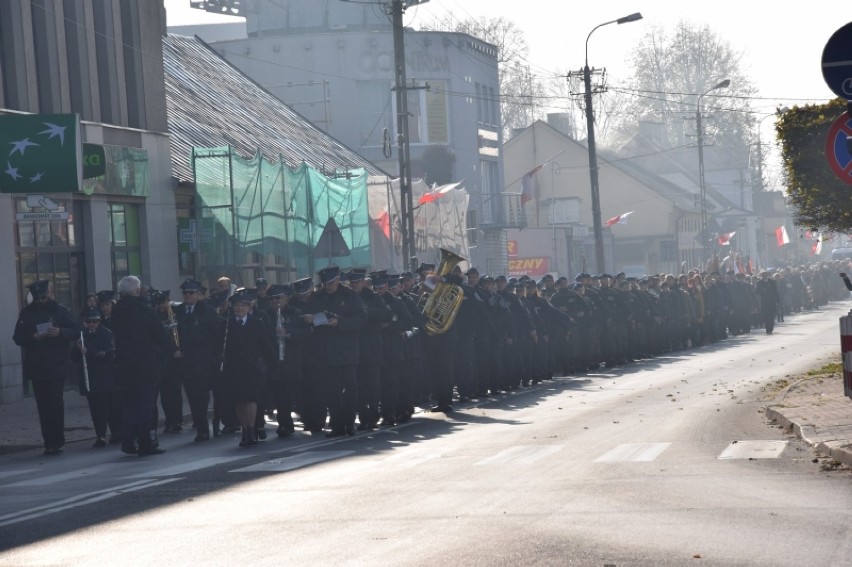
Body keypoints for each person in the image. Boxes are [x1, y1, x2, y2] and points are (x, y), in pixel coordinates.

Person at [13, 280, 79, 455]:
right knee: (43, 406)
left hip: (57, 365)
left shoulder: (59, 311)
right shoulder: (26, 313)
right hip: (37, 367)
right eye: (37, 298)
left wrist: (60, 332)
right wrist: (33, 337)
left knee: (55, 404)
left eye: (43, 297)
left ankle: (58, 441)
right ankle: (49, 442)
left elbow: (75, 330)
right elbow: (17, 337)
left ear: (48, 294)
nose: (40, 300)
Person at [304, 266, 367, 437]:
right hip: (325, 351)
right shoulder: (317, 297)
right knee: (332, 390)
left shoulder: (350, 296)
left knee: (351, 387)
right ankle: (338, 425)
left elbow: (361, 319)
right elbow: (305, 315)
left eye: (331, 283)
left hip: (346, 350)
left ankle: (349, 422)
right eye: (325, 283)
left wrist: (340, 323)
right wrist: (307, 318)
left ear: (338, 280)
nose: (328, 286)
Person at [112, 275, 170, 456]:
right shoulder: (145, 311)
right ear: (137, 291)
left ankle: (128, 441)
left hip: (125, 364)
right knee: (145, 404)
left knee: (129, 404)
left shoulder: (116, 311)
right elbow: (161, 336)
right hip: (145, 364)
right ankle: (146, 442)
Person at [220, 289, 275, 446]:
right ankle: (244, 430)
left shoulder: (257, 323)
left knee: (251, 399)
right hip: (234, 368)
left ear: (249, 307)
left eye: (243, 306)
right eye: (237, 306)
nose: (239, 309)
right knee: (239, 400)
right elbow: (220, 346)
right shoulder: (227, 325)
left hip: (252, 368)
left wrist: (272, 364)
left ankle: (251, 430)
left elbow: (265, 345)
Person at [175, 278, 223, 441]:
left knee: (203, 397)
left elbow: (217, 335)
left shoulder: (207, 312)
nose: (188, 296)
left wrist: (213, 355)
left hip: (204, 361)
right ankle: (201, 426)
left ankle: (209, 427)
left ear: (197, 295)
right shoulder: (178, 312)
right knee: (193, 397)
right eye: (185, 293)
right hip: (185, 363)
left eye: (191, 293)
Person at [72, 307, 121, 448]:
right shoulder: (82, 335)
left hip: (105, 377)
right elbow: (74, 358)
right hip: (90, 378)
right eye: (88, 322)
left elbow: (108, 354)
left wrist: (88, 352)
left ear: (99, 321)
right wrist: (77, 348)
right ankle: (100, 435)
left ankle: (115, 432)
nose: (91, 324)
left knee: (108, 407)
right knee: (95, 409)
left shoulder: (106, 334)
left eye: (94, 321)